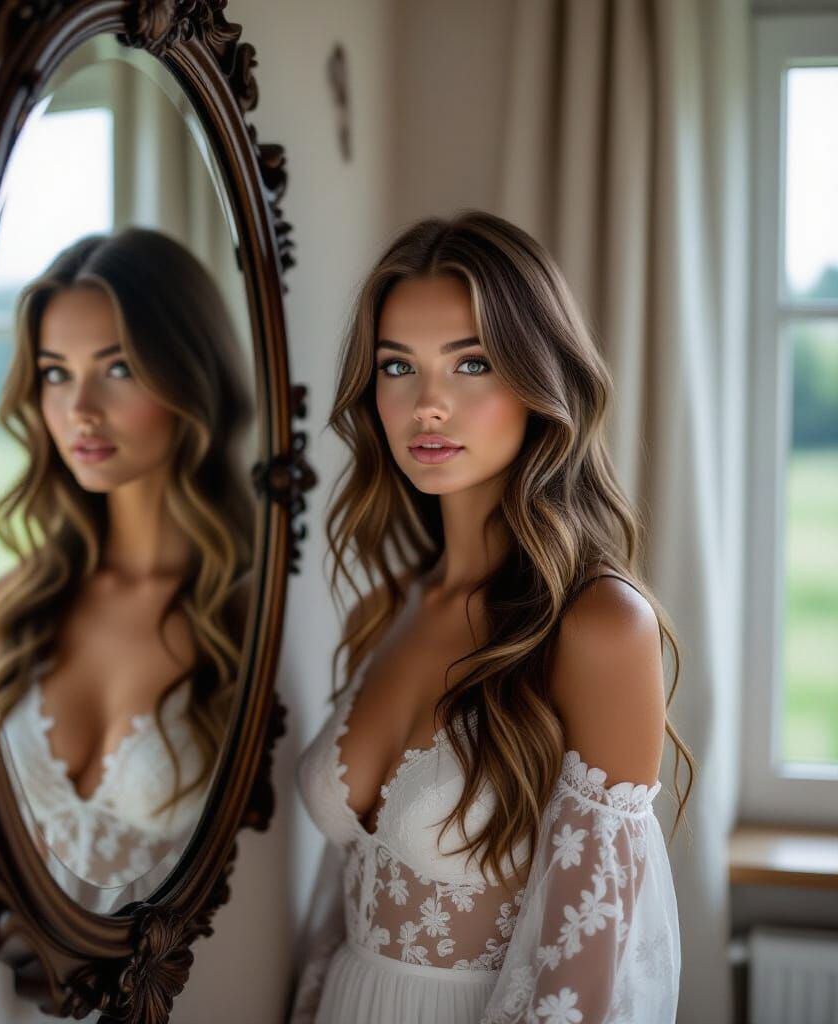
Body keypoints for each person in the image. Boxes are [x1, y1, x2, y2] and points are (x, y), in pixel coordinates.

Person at [289, 211, 694, 1023]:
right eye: (398, 366)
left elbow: (585, 986)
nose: (427, 405)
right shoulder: (389, 605)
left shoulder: (600, 626)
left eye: (470, 363)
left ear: (541, 380)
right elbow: (340, 915)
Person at [0, 227, 254, 895]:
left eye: (119, 368)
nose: (80, 411)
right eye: (55, 374)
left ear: (192, 378)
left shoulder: (246, 608)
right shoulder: (21, 600)